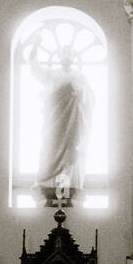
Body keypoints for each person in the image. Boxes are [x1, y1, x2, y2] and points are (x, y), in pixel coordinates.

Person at [34, 50, 93, 206]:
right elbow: (37, 71)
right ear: (60, 57)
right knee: (51, 147)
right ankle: (50, 181)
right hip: (55, 120)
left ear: (72, 58)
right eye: (64, 54)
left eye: (69, 55)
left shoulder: (79, 77)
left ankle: (69, 182)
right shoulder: (53, 74)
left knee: (72, 151)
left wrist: (79, 93)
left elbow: (90, 97)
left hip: (73, 121)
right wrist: (34, 50)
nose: (66, 57)